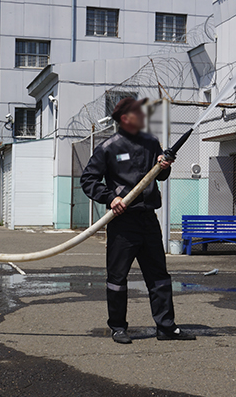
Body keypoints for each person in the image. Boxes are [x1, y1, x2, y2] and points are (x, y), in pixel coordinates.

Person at [80, 97, 196, 344]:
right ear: (125, 118)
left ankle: (165, 327)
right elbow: (88, 181)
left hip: (148, 219)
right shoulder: (108, 147)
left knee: (159, 276)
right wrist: (110, 197)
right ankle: (118, 327)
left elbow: (161, 177)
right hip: (122, 222)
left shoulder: (150, 142)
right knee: (117, 278)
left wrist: (164, 166)